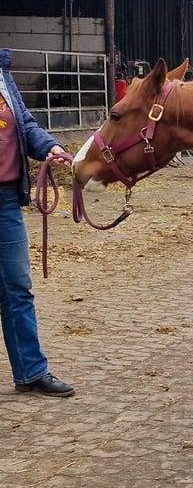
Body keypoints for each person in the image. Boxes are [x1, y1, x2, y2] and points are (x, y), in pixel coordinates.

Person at [0, 48, 74, 397]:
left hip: (5, 201)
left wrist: (49, 147)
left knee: (17, 288)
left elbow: (26, 125)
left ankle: (30, 371)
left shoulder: (2, 75)